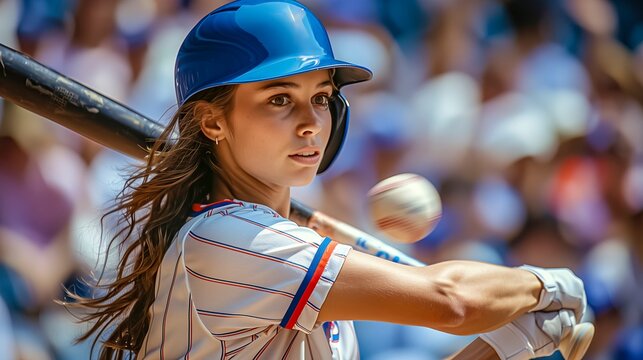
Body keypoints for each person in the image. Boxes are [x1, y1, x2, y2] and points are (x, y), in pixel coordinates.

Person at [68, 1, 587, 359]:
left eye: (320, 97)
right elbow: (451, 300)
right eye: (279, 98)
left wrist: (506, 346)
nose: (310, 121)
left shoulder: (273, 246)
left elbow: (457, 304)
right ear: (211, 121)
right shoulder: (228, 240)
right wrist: (544, 285)